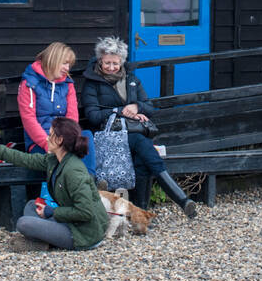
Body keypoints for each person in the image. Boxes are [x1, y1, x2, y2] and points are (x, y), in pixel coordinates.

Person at [80, 35, 197, 217]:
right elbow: (93, 116)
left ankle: (140, 213)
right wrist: (121, 110)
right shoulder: (91, 83)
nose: (111, 67)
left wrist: (137, 107)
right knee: (144, 146)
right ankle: (181, 200)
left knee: (143, 160)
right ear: (100, 60)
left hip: (131, 135)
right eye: (107, 63)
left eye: (115, 63)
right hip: (108, 137)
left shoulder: (131, 79)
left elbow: (149, 107)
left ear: (122, 62)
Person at [0, 117, 108, 251]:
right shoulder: (54, 160)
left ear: (60, 140)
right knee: (32, 206)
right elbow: (24, 159)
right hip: (70, 221)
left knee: (23, 223)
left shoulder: (74, 171)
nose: (46, 138)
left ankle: (44, 242)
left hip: (84, 234)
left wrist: (53, 212)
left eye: (50, 135)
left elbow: (85, 212)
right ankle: (45, 240)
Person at [18, 42, 95, 178]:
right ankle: (68, 192)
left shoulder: (67, 84)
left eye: (69, 65)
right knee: (60, 161)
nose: (67, 68)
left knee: (86, 136)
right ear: (54, 59)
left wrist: (69, 140)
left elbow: (72, 117)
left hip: (64, 139)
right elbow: (28, 120)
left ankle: (90, 182)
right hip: (40, 142)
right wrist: (48, 143)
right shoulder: (29, 83)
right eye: (64, 63)